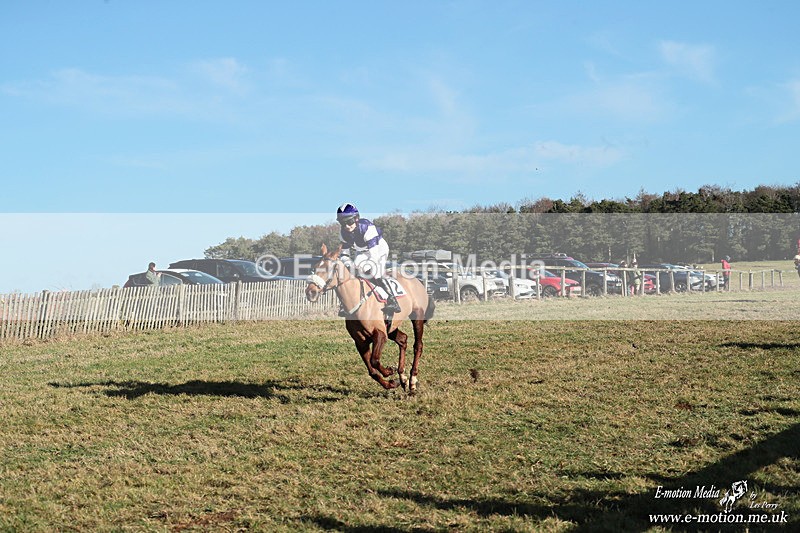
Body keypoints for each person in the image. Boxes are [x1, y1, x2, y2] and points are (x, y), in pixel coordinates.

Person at [336, 203, 401, 314]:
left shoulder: (367, 228)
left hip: (379, 249)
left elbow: (374, 255)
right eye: (343, 223)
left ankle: (393, 300)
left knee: (376, 272)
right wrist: (349, 266)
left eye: (349, 222)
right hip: (362, 252)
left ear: (356, 219)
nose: (347, 226)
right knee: (352, 273)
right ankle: (346, 303)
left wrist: (366, 267)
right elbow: (345, 255)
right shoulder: (343, 234)